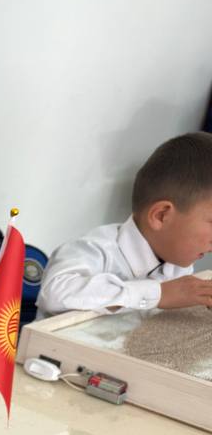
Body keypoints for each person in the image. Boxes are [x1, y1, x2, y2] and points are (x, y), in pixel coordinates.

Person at [38, 132, 212, 317]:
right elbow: (54, 294)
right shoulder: (94, 250)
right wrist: (158, 294)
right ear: (161, 216)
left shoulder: (177, 262)